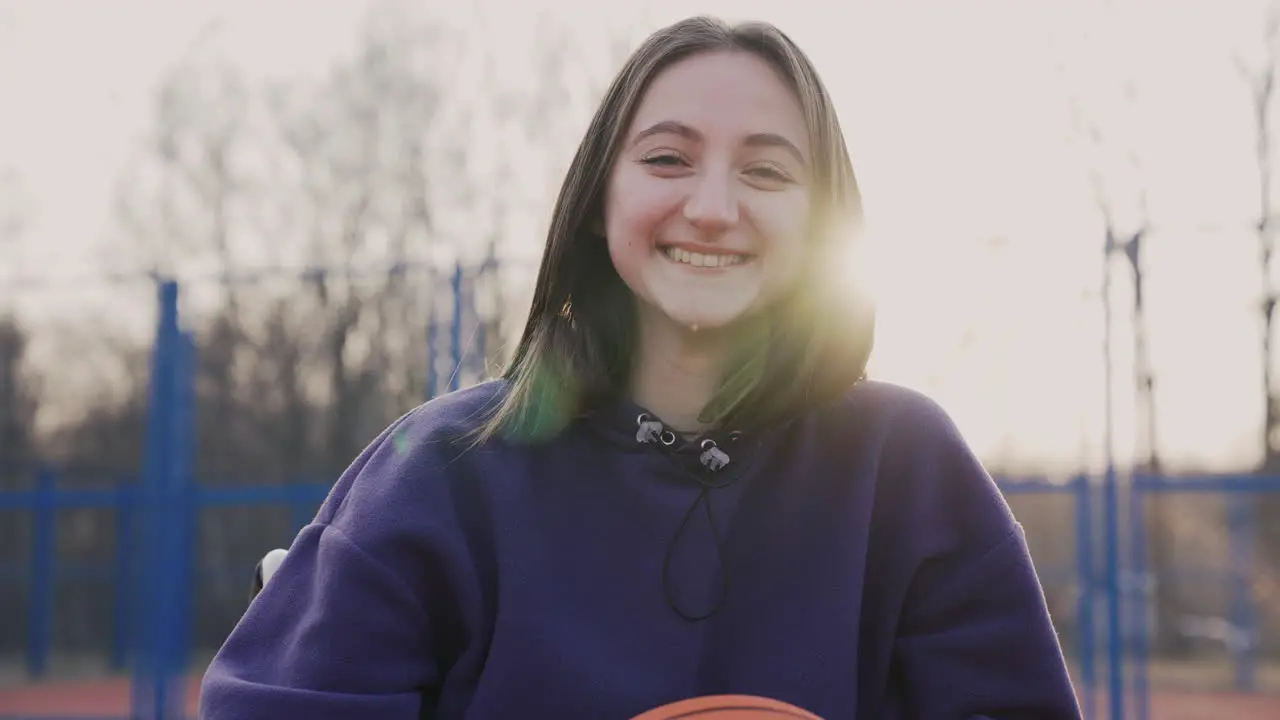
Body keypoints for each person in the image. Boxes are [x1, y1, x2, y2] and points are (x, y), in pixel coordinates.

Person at [199, 15, 1082, 720]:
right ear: (597, 200)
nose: (711, 208)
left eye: (767, 172)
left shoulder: (907, 469)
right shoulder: (441, 472)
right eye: (667, 159)